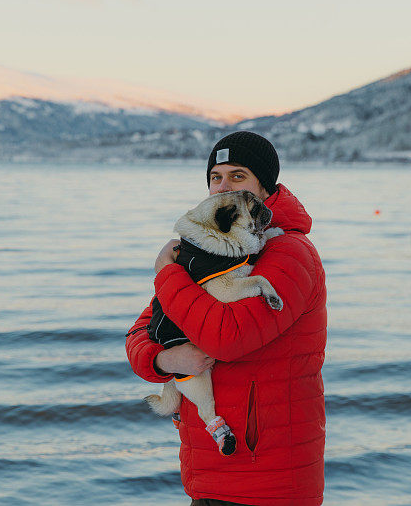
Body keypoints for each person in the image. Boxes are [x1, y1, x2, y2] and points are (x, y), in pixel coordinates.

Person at [125, 131, 327, 506]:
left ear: (264, 187)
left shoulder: (291, 253)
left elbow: (227, 338)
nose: (222, 187)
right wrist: (165, 359)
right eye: (215, 177)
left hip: (267, 482)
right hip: (209, 474)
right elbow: (143, 330)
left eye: (238, 176)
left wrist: (165, 272)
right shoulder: (209, 252)